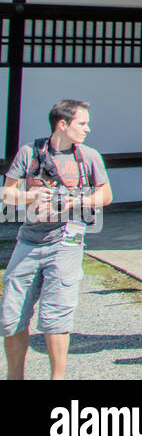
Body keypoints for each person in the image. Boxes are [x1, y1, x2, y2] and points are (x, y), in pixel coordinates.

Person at [1, 100, 112, 380]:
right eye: (82, 123)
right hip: (28, 240)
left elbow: (106, 196)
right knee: (12, 314)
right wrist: (30, 197)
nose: (88, 128)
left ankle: (57, 378)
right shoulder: (29, 153)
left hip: (66, 242)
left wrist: (75, 203)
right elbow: (7, 193)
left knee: (56, 317)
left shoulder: (89, 157)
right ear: (63, 124)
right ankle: (15, 376)